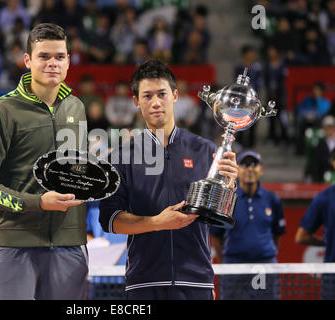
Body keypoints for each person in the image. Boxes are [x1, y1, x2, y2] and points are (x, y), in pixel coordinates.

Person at [0, 23, 88, 300]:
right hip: (14, 244)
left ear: (69, 60)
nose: (52, 63)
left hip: (69, 246)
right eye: (44, 56)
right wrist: (37, 203)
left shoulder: (76, 108)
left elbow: (76, 172)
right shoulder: (2, 110)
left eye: (59, 56)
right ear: (27, 61)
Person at [99, 59, 238, 300]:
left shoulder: (205, 150)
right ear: (136, 102)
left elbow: (219, 215)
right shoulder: (122, 156)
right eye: (147, 96)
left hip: (197, 281)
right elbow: (110, 221)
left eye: (162, 94)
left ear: (175, 96)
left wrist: (229, 185)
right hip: (144, 282)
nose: (155, 103)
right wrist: (157, 222)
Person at [211, 150, 286, 300]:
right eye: (244, 164)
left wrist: (264, 253)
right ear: (237, 169)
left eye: (254, 164)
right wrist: (227, 261)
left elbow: (277, 234)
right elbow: (216, 236)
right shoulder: (227, 198)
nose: (250, 168)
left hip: (264, 266)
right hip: (234, 266)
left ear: (261, 170)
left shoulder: (272, 199)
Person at [295, 150, 335, 300]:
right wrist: (327, 243)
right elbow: (301, 237)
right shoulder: (324, 199)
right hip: (332, 276)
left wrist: (327, 242)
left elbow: (302, 238)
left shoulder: (323, 198)